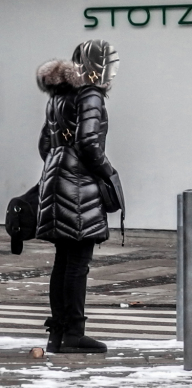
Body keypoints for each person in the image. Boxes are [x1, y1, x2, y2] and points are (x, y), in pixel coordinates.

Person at [35, 40, 120, 354]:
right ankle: (74, 334)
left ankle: (58, 333)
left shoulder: (58, 96)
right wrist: (107, 172)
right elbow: (88, 143)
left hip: (55, 180)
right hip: (79, 185)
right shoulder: (90, 94)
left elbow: (46, 145)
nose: (113, 70)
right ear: (97, 66)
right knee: (78, 264)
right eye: (110, 63)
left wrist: (61, 164)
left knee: (63, 260)